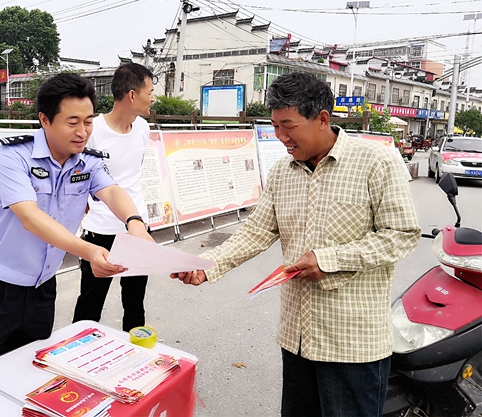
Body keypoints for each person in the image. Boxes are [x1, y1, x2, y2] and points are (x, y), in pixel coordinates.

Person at [172, 72, 421, 416]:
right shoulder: (281, 172)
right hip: (298, 338)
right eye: (274, 126)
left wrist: (330, 259)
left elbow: (402, 235)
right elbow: (255, 231)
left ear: (321, 119)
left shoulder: (376, 163)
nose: (280, 136)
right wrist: (207, 267)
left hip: (351, 341)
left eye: (288, 125)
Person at [0, 72, 153, 369]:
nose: (82, 132)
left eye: (88, 122)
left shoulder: (87, 160)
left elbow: (113, 191)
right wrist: (89, 251)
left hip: (42, 287)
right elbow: (30, 217)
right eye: (72, 122)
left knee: (32, 371)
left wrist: (135, 224)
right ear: (45, 120)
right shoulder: (14, 156)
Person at [72, 63, 156, 332]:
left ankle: (135, 356)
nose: (154, 98)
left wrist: (137, 222)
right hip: (100, 232)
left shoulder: (143, 128)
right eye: (150, 91)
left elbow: (134, 171)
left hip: (137, 228)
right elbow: (83, 179)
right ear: (132, 95)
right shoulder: (92, 130)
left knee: (135, 304)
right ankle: (78, 354)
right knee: (90, 304)